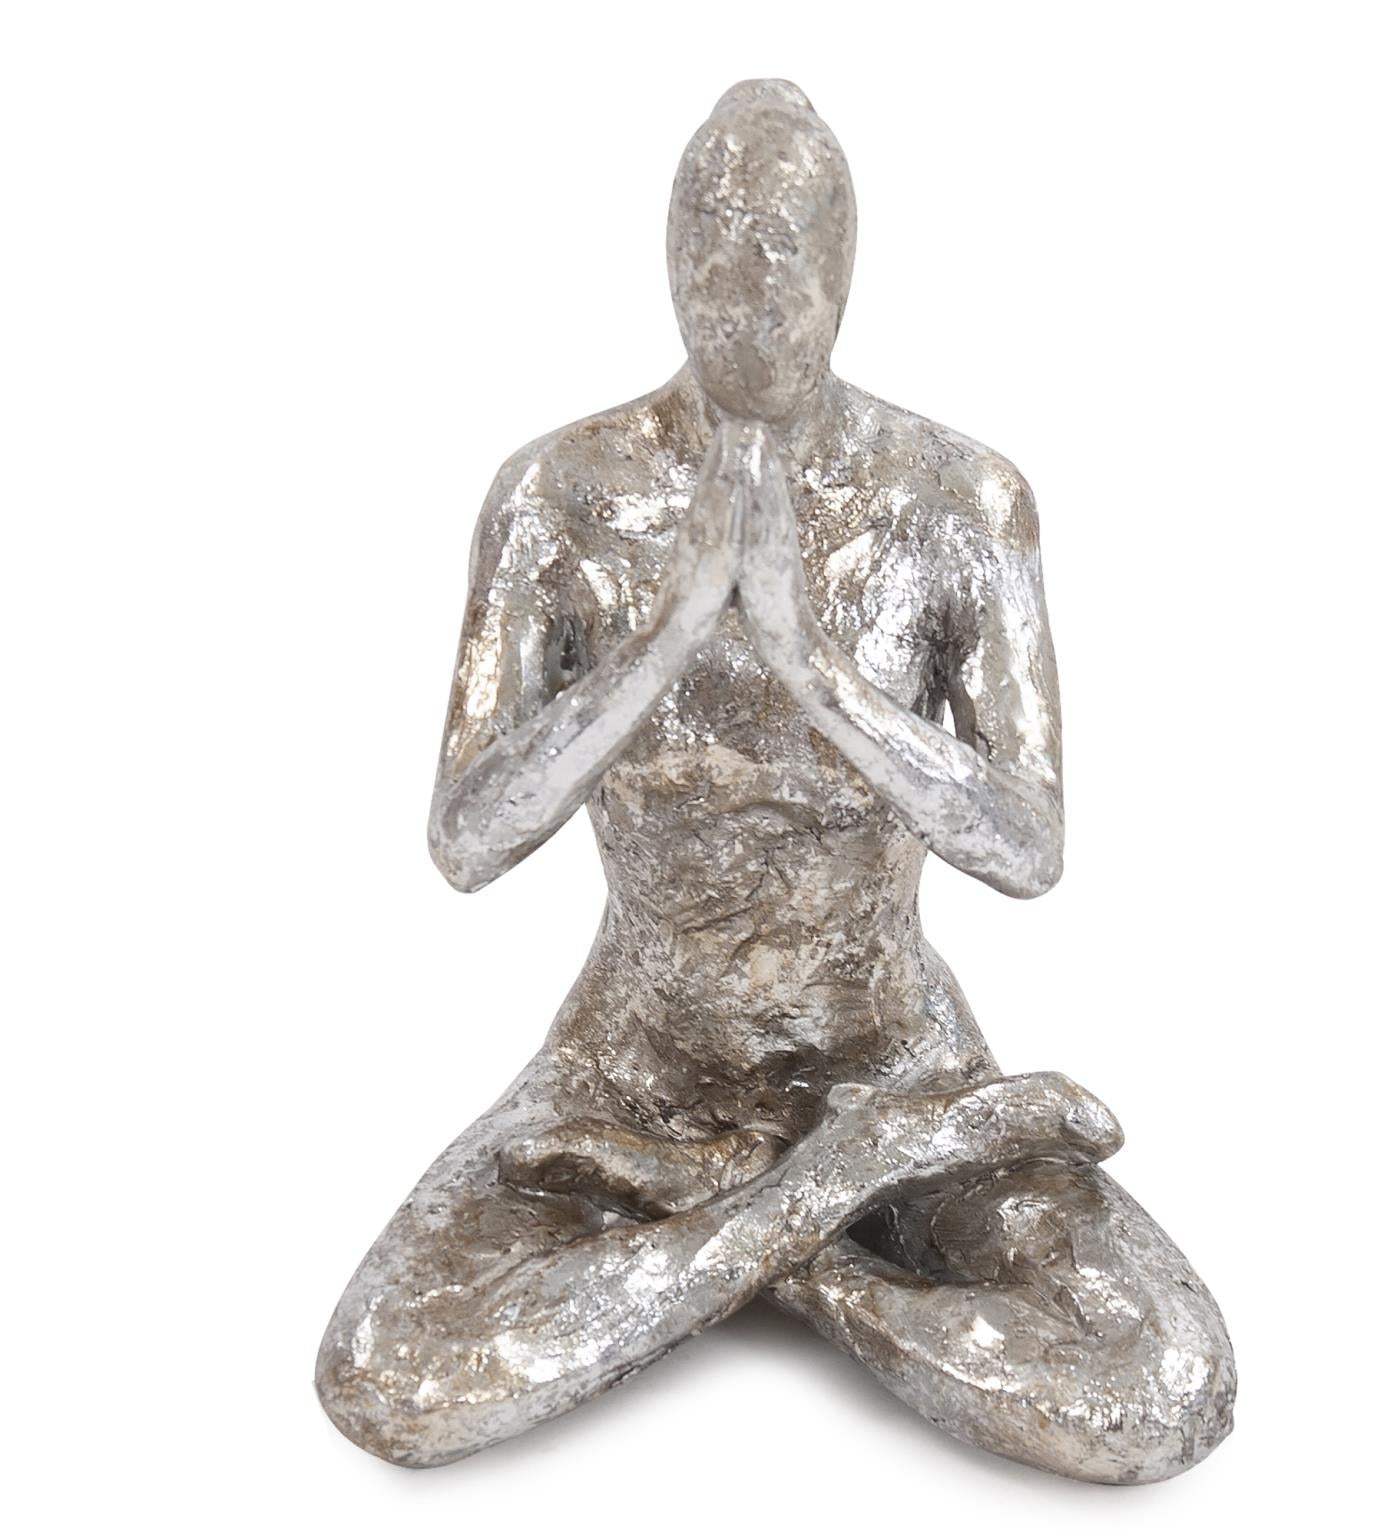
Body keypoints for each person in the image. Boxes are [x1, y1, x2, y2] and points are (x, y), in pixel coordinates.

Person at [316, 79, 1235, 1483]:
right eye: (716, 260)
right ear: (668, 262)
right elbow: (467, 839)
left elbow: (1027, 848)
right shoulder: (559, 496)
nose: (749, 306)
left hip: (891, 1058)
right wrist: (676, 626)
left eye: (784, 265)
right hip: (631, 1071)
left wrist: (811, 665)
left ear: (844, 274)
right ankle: (821, 1208)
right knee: (386, 1377)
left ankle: (757, 1248)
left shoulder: (959, 499)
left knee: (1163, 1385)